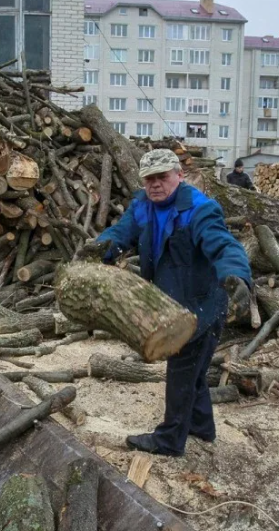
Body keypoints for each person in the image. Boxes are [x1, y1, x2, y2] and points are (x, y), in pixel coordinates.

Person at [92, 149, 252, 456]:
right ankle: (202, 427)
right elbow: (120, 233)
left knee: (181, 373)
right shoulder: (143, 206)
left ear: (178, 175)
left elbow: (224, 246)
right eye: (149, 179)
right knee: (195, 372)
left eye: (162, 177)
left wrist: (237, 276)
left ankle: (169, 441)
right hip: (174, 302)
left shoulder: (200, 209)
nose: (155, 184)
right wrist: (99, 249)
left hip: (202, 306)